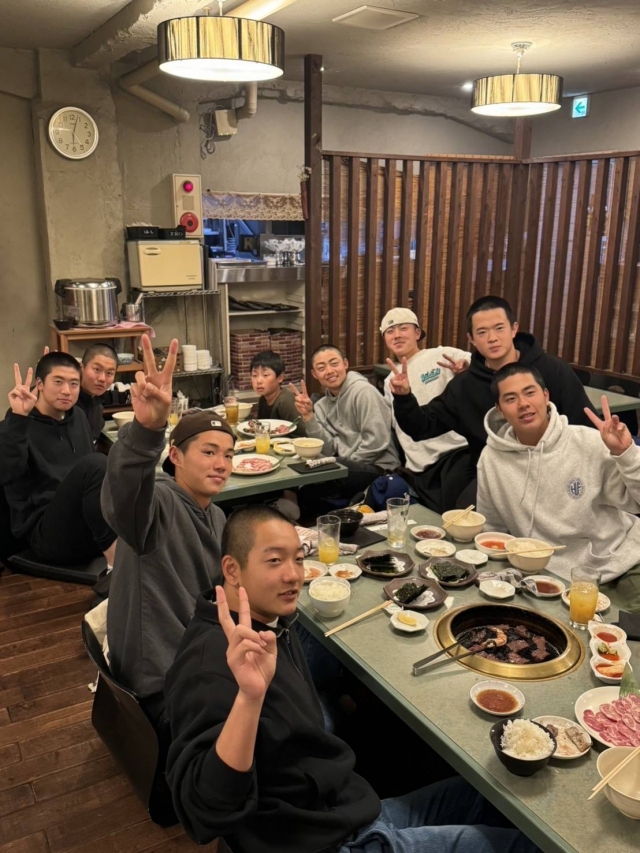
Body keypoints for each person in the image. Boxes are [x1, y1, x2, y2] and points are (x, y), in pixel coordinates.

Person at [164, 504, 540, 853]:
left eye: (298, 559)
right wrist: (249, 699)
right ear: (232, 570)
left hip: (345, 811)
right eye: (274, 560)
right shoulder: (210, 664)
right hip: (324, 843)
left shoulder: (271, 624)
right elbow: (204, 813)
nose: (293, 575)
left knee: (496, 799)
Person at [102, 335, 235, 721]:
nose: (221, 464)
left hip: (199, 654)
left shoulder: (216, 515)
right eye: (208, 452)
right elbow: (123, 497)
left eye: (228, 455)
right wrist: (147, 430)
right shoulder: (157, 504)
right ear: (175, 455)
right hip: (163, 684)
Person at [388, 295, 594, 507]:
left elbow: (585, 426)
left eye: (499, 328)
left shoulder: (552, 369)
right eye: (482, 332)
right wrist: (404, 397)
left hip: (554, 472)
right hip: (494, 477)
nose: (492, 338)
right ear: (471, 339)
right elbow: (422, 426)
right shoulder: (465, 385)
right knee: (461, 513)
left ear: (514, 329)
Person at [477, 363, 640, 612]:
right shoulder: (491, 459)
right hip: (552, 578)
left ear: (546, 396)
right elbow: (493, 531)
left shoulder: (589, 442)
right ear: (499, 409)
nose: (523, 404)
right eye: (510, 399)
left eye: (530, 393)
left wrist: (626, 454)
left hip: (623, 562)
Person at [0, 353, 116, 566]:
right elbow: (7, 473)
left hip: (82, 524)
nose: (66, 391)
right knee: (97, 463)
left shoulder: (78, 416)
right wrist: (18, 418)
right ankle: (116, 563)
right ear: (40, 384)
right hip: (45, 534)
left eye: (74, 384)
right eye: (58, 382)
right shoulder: (16, 425)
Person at [381, 307, 470, 511]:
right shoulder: (390, 380)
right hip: (418, 467)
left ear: (417, 333)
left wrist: (465, 370)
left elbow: (477, 364)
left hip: (455, 453)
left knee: (453, 517)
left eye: (403, 328)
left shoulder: (440, 355)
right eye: (390, 331)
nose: (397, 335)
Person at [290, 345, 399, 500]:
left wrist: (344, 465)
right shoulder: (320, 406)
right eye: (321, 368)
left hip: (378, 467)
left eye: (334, 363)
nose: (329, 371)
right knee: (302, 486)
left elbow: (376, 441)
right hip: (345, 465)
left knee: (310, 492)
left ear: (345, 364)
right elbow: (327, 449)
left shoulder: (364, 392)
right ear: (314, 374)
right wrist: (308, 415)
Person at [251, 350, 307, 436]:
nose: (259, 381)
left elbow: (302, 434)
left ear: (280, 378)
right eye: (254, 375)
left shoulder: (285, 400)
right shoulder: (263, 399)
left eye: (265, 375)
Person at [77, 343, 118, 441]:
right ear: (81, 368)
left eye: (109, 373)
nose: (102, 379)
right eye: (97, 369)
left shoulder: (98, 406)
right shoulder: (66, 401)